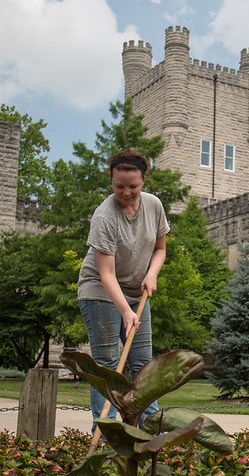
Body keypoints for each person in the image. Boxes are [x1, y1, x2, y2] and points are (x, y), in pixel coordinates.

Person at [77, 150, 169, 429]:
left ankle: (148, 430)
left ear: (144, 180)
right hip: (100, 291)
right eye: (119, 187)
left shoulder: (153, 205)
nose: (126, 192)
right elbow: (106, 274)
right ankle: (104, 434)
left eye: (133, 186)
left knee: (143, 364)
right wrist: (126, 312)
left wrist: (152, 274)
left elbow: (160, 249)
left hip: (137, 290)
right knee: (107, 366)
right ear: (111, 181)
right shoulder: (104, 216)